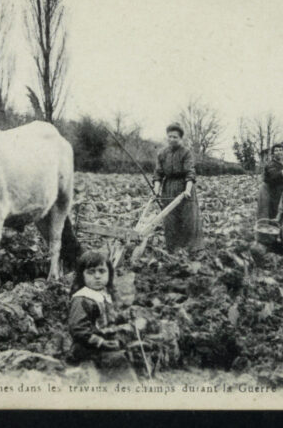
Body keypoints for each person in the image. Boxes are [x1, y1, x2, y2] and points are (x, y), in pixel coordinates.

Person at [68, 250, 138, 381]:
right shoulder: (82, 298)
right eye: (91, 272)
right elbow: (78, 329)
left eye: (102, 271)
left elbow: (111, 316)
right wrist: (101, 342)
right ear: (82, 276)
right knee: (118, 361)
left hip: (105, 339)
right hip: (87, 346)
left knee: (134, 349)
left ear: (109, 273)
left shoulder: (105, 294)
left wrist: (125, 316)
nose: (97, 276)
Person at [152, 123, 203, 253]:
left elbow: (190, 173)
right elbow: (158, 173)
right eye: (170, 136)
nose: (172, 139)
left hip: (184, 187)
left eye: (175, 137)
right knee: (170, 219)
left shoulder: (186, 153)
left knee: (188, 219)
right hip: (168, 188)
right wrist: (156, 190)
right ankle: (172, 248)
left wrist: (187, 190)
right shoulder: (162, 153)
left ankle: (191, 249)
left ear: (180, 138)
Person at [257, 144, 283, 220]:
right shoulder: (270, 164)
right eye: (276, 150)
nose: (279, 152)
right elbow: (274, 176)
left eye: (280, 150)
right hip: (269, 192)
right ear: (272, 154)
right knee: (270, 214)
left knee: (280, 212)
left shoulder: (281, 165)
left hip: (278, 192)